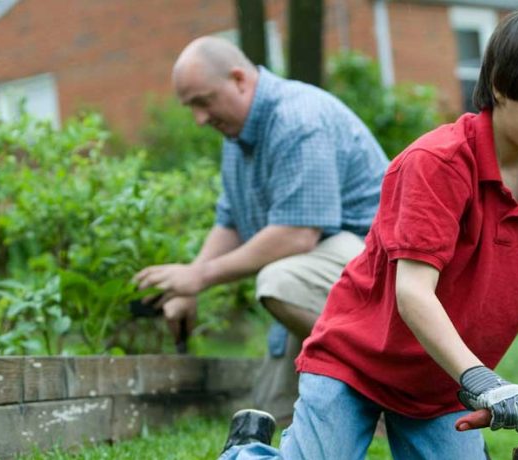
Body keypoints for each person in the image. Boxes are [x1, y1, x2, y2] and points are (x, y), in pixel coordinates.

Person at [218, 9, 518, 459]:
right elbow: (413, 293)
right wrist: (484, 381)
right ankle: (246, 450)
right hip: (356, 365)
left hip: (440, 387)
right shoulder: (437, 164)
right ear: (501, 86)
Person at [133, 36, 390, 424]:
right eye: (191, 108)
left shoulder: (297, 118)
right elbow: (231, 221)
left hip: (382, 274)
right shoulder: (238, 136)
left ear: (239, 79)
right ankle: (345, 398)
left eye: (203, 102)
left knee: (280, 281)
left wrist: (200, 276)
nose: (199, 119)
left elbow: (297, 234)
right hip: (324, 275)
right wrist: (185, 286)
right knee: (268, 415)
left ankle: (389, 386)